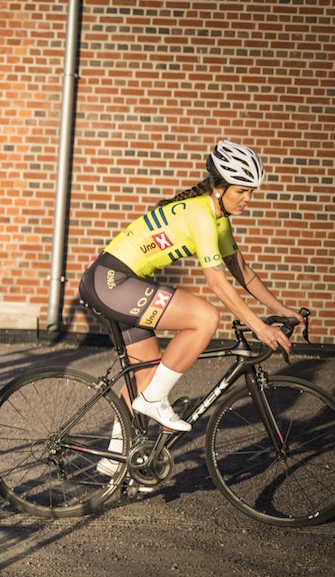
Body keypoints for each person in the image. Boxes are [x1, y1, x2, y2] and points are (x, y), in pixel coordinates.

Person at [79, 140, 304, 472]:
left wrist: (282, 309)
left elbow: (242, 272)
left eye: (251, 191)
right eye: (242, 190)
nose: (248, 198)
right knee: (205, 317)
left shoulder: (219, 220)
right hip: (112, 281)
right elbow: (218, 284)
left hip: (113, 282)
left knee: (147, 375)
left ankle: (115, 461)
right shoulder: (201, 215)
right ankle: (154, 401)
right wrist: (259, 327)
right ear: (219, 188)